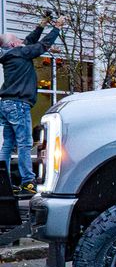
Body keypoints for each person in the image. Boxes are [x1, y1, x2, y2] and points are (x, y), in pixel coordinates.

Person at [0, 15, 65, 194]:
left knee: (8, 144)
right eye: (17, 39)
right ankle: (28, 182)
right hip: (18, 104)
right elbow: (43, 45)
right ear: (13, 44)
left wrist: (41, 25)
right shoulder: (20, 53)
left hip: (6, 104)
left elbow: (29, 40)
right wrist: (57, 27)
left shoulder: (12, 54)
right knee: (25, 143)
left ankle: (3, 183)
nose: (21, 41)